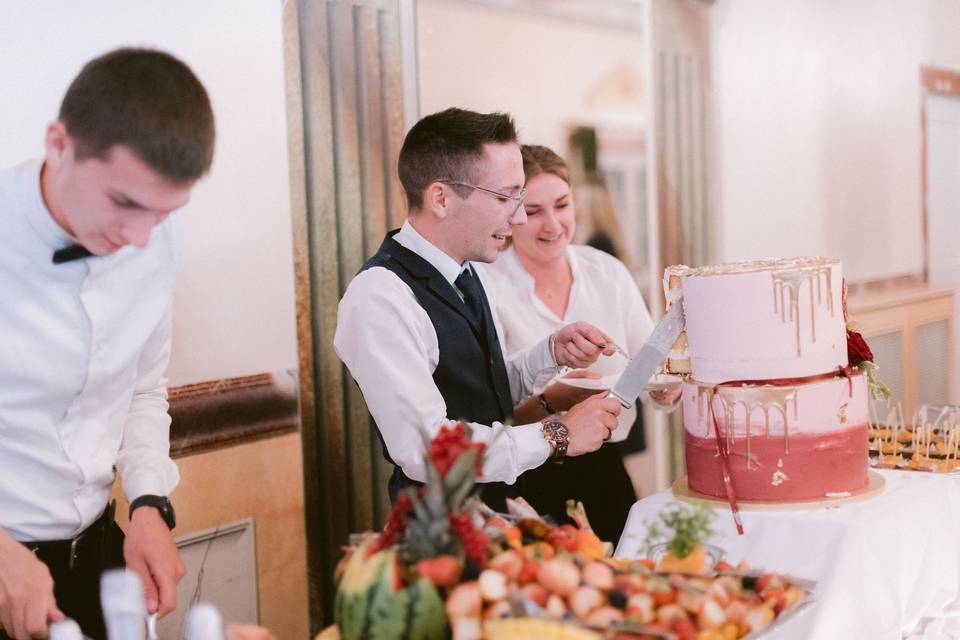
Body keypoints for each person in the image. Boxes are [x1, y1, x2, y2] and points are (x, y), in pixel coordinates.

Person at [0, 48, 215, 640]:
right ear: (58, 145)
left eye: (164, 212)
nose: (139, 238)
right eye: (123, 204)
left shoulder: (155, 242)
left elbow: (143, 390)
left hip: (97, 559)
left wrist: (148, 503)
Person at [335, 108, 623, 510]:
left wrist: (550, 353)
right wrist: (558, 434)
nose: (519, 215)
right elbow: (428, 450)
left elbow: (482, 390)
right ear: (440, 198)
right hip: (443, 541)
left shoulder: (468, 271)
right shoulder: (380, 297)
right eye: (506, 197)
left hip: (498, 516)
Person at [482, 144, 679, 542]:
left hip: (603, 470)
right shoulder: (487, 285)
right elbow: (490, 413)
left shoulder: (606, 271)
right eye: (533, 211)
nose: (552, 225)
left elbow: (652, 369)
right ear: (509, 215)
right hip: (522, 479)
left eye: (562, 205)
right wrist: (556, 397)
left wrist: (670, 387)